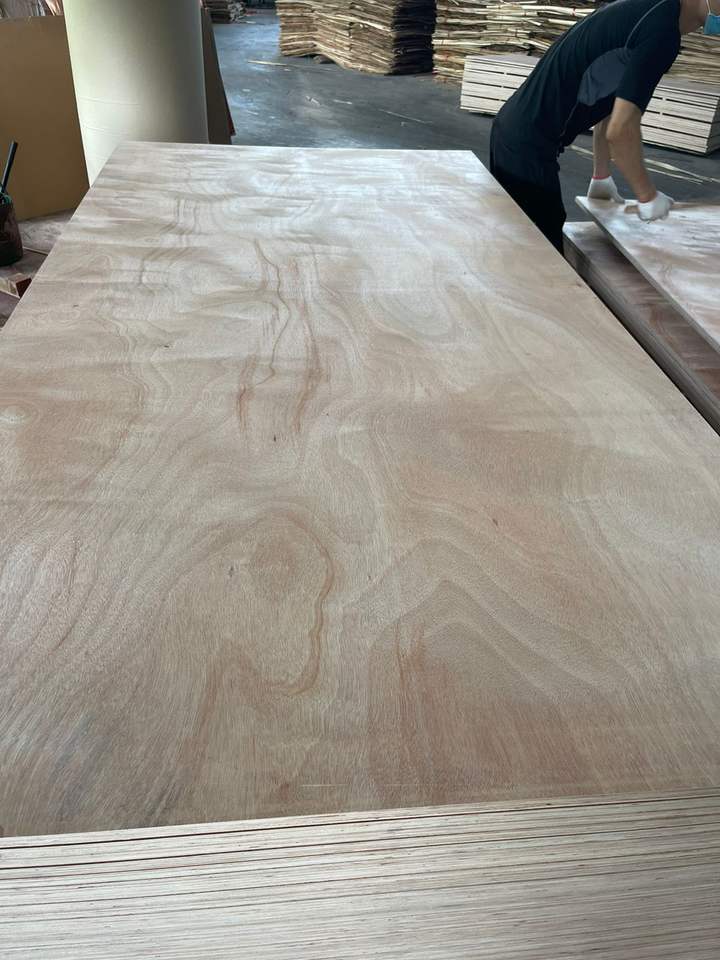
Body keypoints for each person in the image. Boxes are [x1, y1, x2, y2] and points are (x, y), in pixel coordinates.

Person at [489, 0, 720, 252]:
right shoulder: (661, 34)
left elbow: (610, 104)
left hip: (516, 132)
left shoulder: (647, 10)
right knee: (542, 258)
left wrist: (601, 175)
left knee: (526, 245)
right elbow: (622, 129)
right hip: (527, 147)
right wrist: (647, 195)